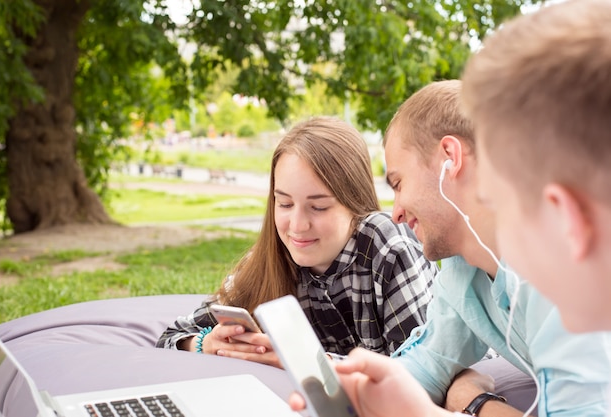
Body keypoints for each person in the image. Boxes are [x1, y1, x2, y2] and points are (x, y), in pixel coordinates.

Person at [289, 2, 611, 417]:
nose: (396, 213)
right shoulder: (470, 273)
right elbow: (430, 362)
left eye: (500, 197)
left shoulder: (562, 274)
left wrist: (469, 402)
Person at [157, 116, 437, 367]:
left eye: (319, 207)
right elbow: (173, 335)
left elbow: (424, 373)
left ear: (354, 202)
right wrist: (205, 344)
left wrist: (309, 362)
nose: (297, 226)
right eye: (285, 203)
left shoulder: (387, 244)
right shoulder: (270, 257)